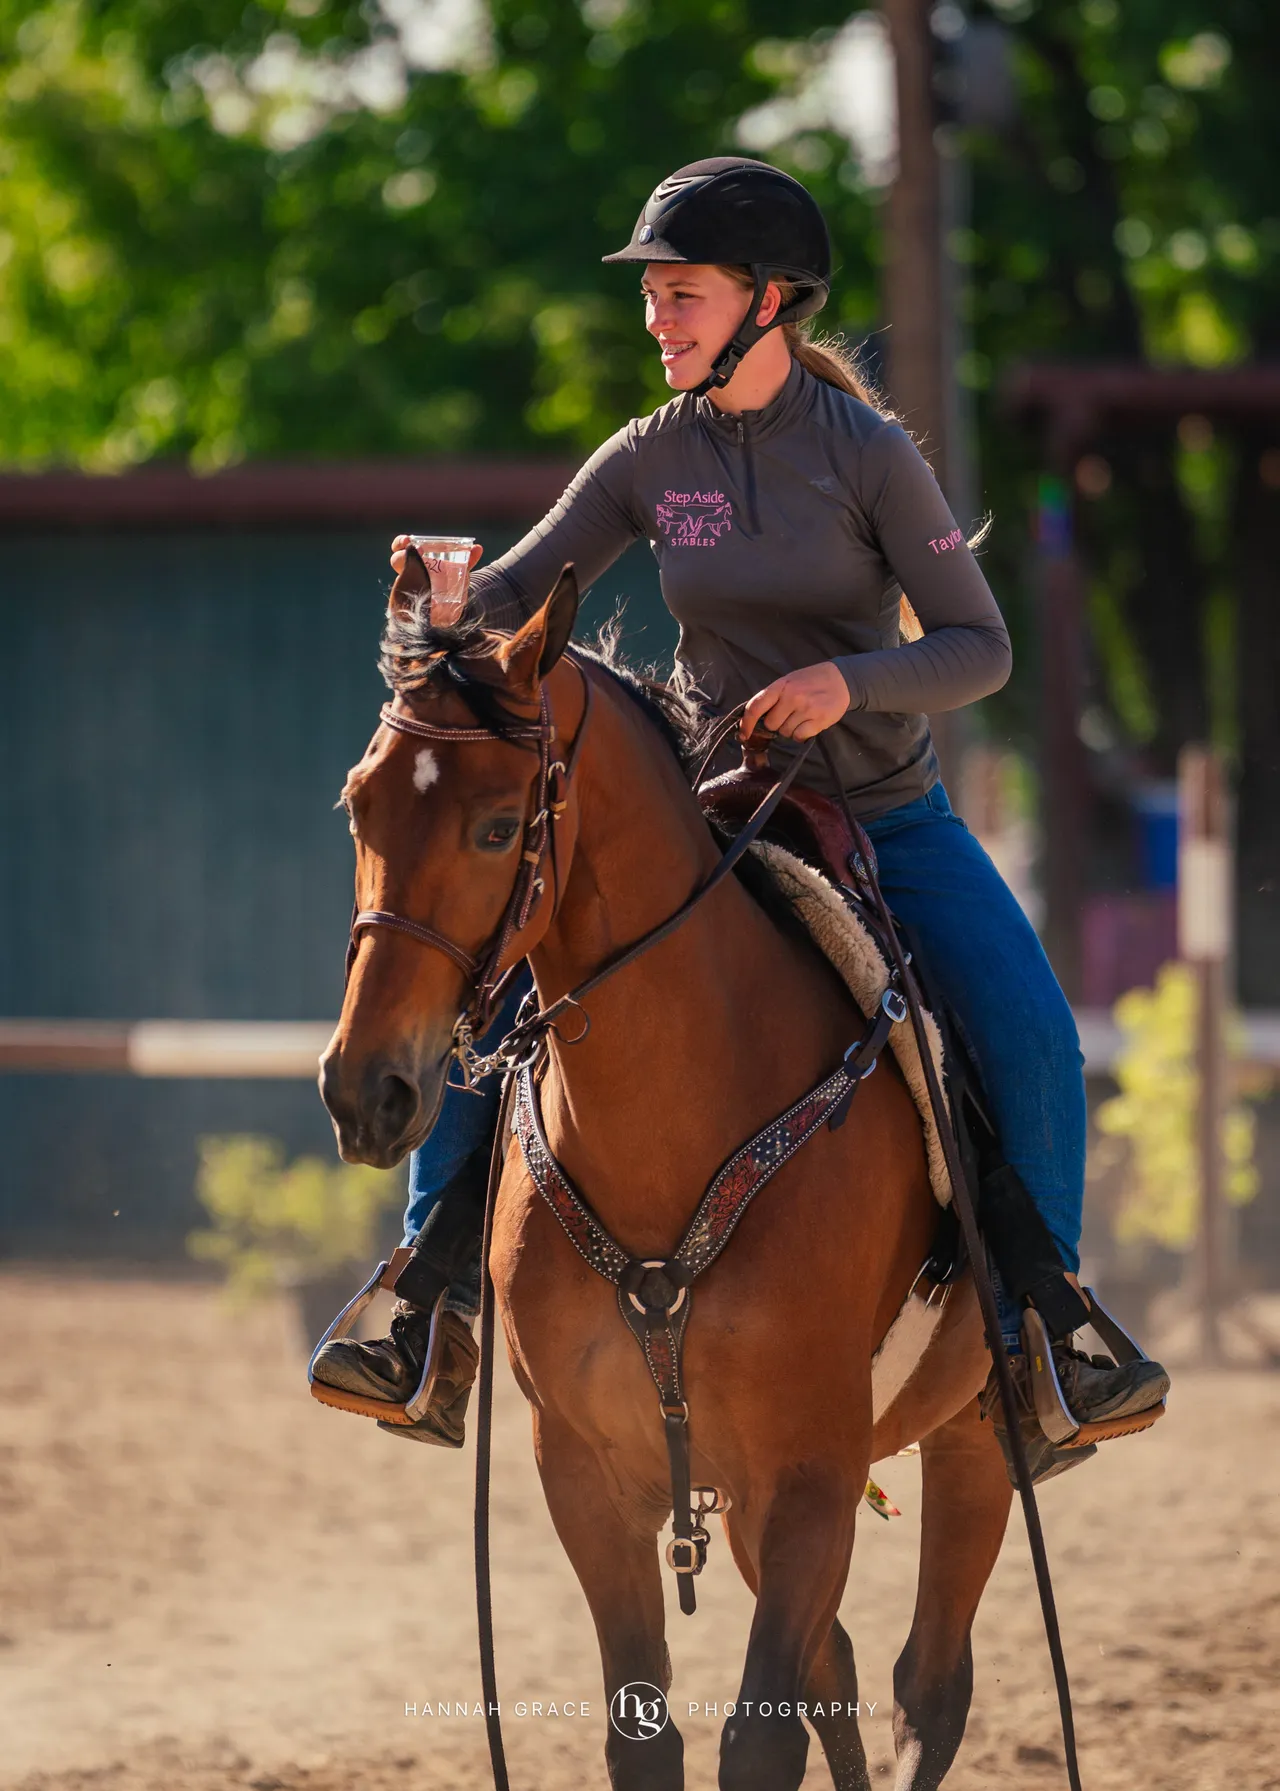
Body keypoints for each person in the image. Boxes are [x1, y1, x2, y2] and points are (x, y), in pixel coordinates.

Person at [313, 157, 1169, 1477]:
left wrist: (848, 682)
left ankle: (1043, 1336)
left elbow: (979, 646)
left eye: (683, 295)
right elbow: (520, 595)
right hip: (716, 808)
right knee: (501, 991)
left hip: (884, 813)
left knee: (1032, 1027)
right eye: (652, 298)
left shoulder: (871, 456)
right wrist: (431, 606)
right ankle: (429, 1308)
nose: (658, 320)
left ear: (771, 302)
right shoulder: (649, 455)